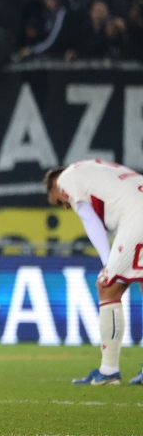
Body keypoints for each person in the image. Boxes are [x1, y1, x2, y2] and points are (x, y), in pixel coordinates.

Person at [44, 160, 143, 385]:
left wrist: (107, 264)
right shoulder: (93, 169)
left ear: (55, 186)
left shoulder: (66, 180)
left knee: (107, 289)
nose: (66, 206)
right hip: (138, 207)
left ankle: (108, 372)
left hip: (138, 215)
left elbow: (90, 221)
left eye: (59, 202)